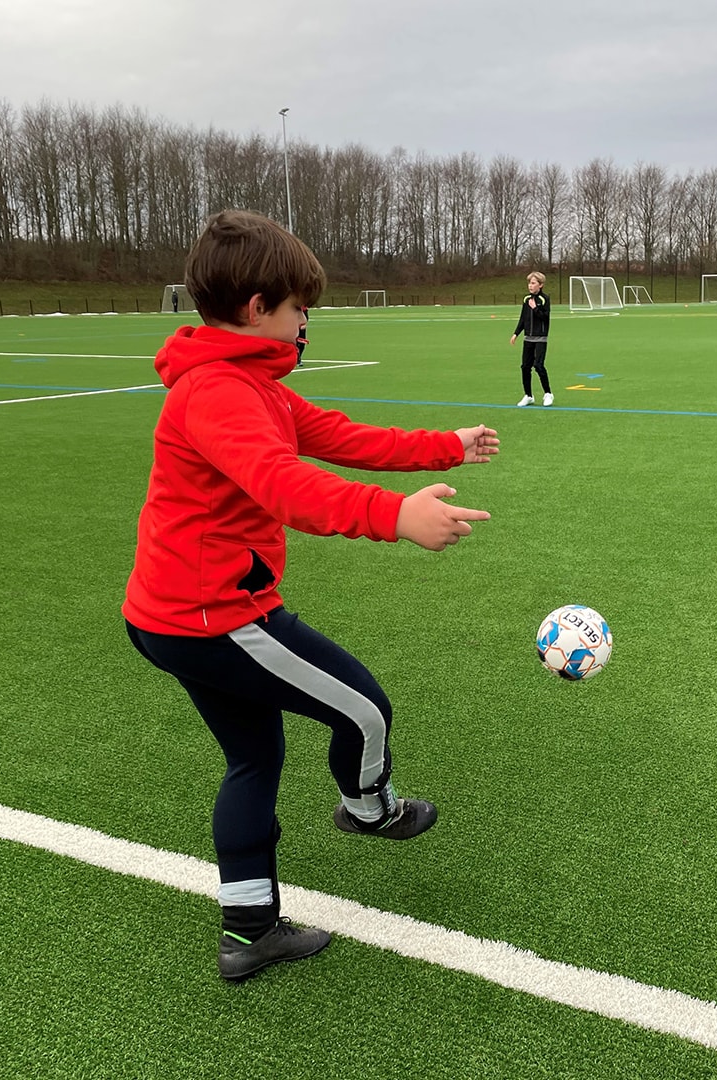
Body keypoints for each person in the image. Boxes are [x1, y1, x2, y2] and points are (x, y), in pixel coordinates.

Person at [123, 209, 500, 982]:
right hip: (213, 617)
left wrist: (447, 444)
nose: (305, 324)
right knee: (362, 707)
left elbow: (338, 434)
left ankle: (248, 931)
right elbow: (284, 485)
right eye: (300, 308)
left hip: (182, 612)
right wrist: (395, 515)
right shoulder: (219, 394)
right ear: (257, 308)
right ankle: (370, 810)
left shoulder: (248, 384)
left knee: (254, 757)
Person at [510, 271, 553, 406]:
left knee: (539, 366)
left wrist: (535, 309)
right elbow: (523, 318)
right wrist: (516, 333)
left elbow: (545, 317)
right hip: (528, 338)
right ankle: (528, 395)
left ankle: (548, 394)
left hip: (540, 338)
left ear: (540, 285)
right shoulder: (526, 299)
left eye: (533, 283)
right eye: (529, 283)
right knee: (525, 367)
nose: (530, 285)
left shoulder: (544, 299)